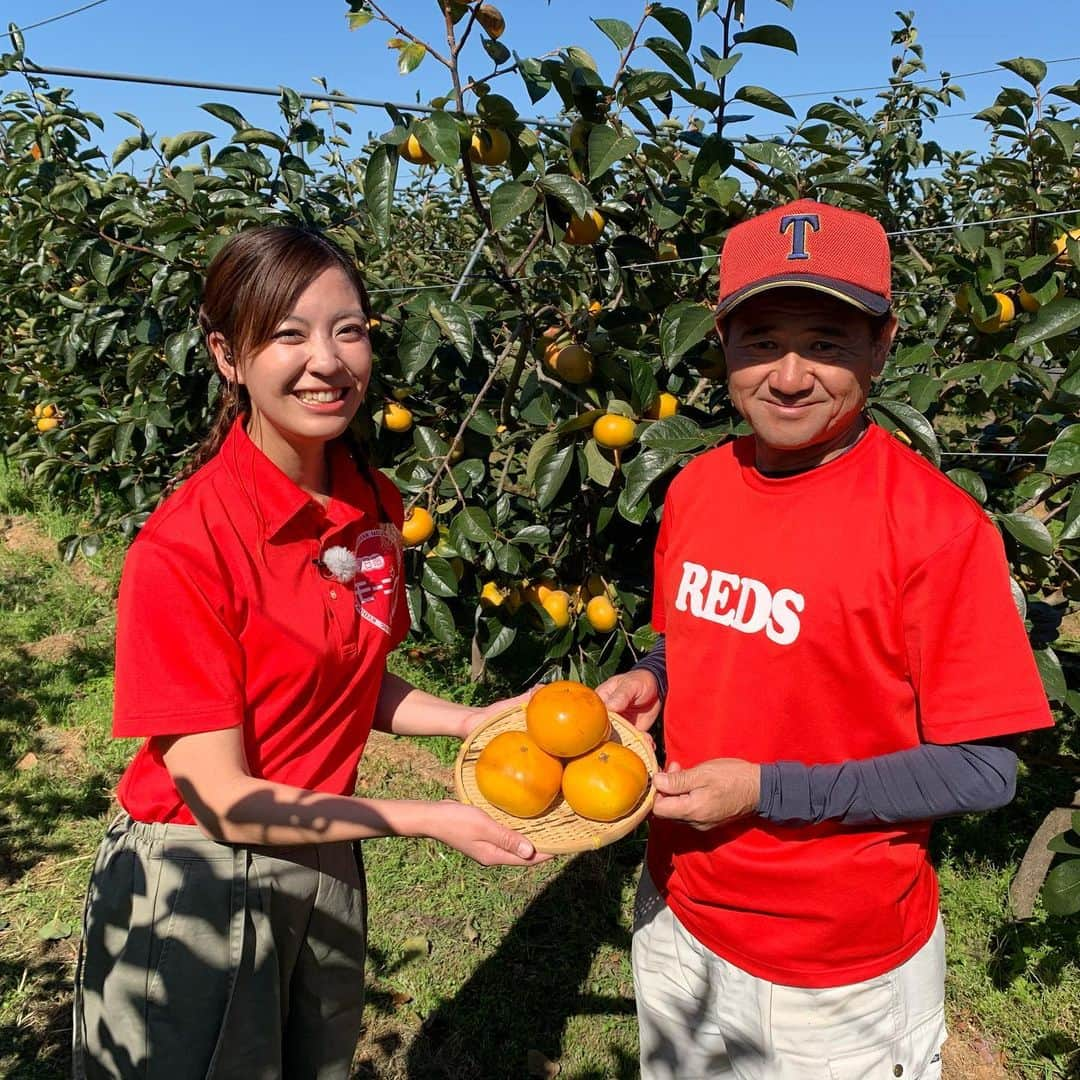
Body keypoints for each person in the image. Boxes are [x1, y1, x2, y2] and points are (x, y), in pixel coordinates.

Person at [73, 225, 544, 1079]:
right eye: (287, 333)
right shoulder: (186, 548)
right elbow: (222, 799)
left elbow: (353, 679)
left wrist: (476, 718)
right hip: (198, 876)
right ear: (227, 354)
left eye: (348, 329)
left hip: (325, 847)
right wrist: (427, 819)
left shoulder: (371, 501)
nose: (325, 361)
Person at [599, 199, 1053, 1080]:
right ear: (721, 342)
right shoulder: (697, 487)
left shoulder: (936, 529)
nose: (791, 374)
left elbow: (981, 769)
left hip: (833, 968)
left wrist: (767, 791)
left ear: (883, 348)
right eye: (763, 340)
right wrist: (656, 678)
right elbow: (701, 637)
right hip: (681, 910)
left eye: (829, 342)